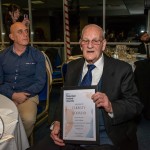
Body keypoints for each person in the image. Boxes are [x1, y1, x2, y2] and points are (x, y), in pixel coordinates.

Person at [27, 24, 143, 150]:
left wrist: (110, 106)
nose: (90, 45)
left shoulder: (122, 69)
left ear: (103, 44)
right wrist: (58, 122)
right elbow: (63, 101)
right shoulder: (72, 67)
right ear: (80, 44)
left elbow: (135, 105)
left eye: (95, 41)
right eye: (86, 41)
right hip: (71, 134)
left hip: (105, 137)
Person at [0, 22, 46, 137]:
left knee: (28, 119)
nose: (25, 34)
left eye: (26, 31)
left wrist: (22, 96)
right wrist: (12, 95)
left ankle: (18, 143)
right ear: (11, 37)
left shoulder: (37, 55)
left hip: (29, 95)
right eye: (20, 32)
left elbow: (40, 81)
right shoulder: (2, 56)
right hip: (5, 94)